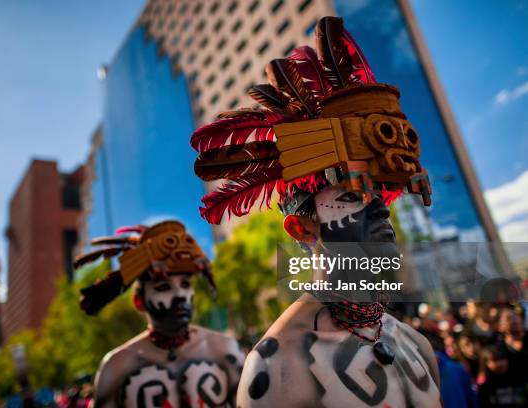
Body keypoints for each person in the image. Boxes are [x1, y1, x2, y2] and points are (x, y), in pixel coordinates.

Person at [190, 16, 440, 407]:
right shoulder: (277, 368)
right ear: (302, 228)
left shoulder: (417, 346)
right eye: (352, 196)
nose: (378, 212)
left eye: (381, 195)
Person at [74, 221, 245, 408]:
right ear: (139, 301)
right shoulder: (116, 367)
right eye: (163, 287)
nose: (180, 295)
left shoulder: (225, 351)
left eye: (186, 284)